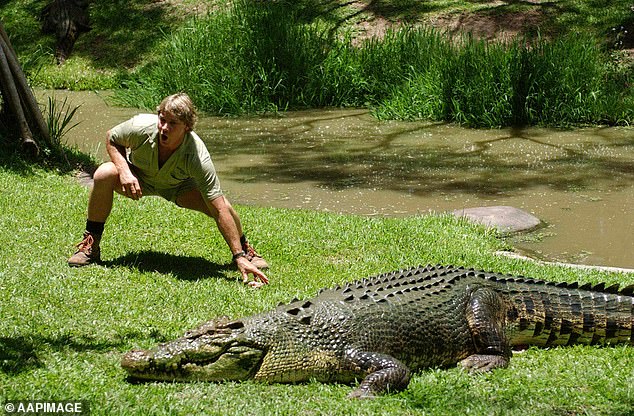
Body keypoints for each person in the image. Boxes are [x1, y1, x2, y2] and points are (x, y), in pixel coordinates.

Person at [68, 93, 269, 288]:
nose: (164, 127)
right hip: (140, 178)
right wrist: (125, 172)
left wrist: (238, 256)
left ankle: (246, 251)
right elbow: (112, 138)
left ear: (187, 127)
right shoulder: (140, 127)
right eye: (162, 119)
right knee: (103, 173)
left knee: (222, 204)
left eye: (172, 124)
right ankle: (90, 246)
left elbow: (219, 209)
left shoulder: (198, 155)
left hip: (179, 188)